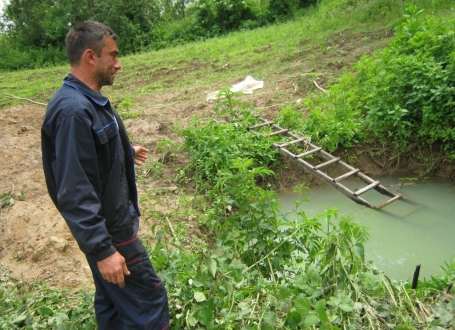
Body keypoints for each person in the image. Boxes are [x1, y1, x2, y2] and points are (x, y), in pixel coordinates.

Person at [41, 21, 170, 330]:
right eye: (112, 55)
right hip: (113, 235)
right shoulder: (74, 110)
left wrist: (125, 149)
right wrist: (104, 250)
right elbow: (75, 190)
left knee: (114, 305)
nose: (118, 63)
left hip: (111, 228)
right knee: (148, 303)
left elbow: (92, 152)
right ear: (90, 57)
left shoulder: (87, 100)